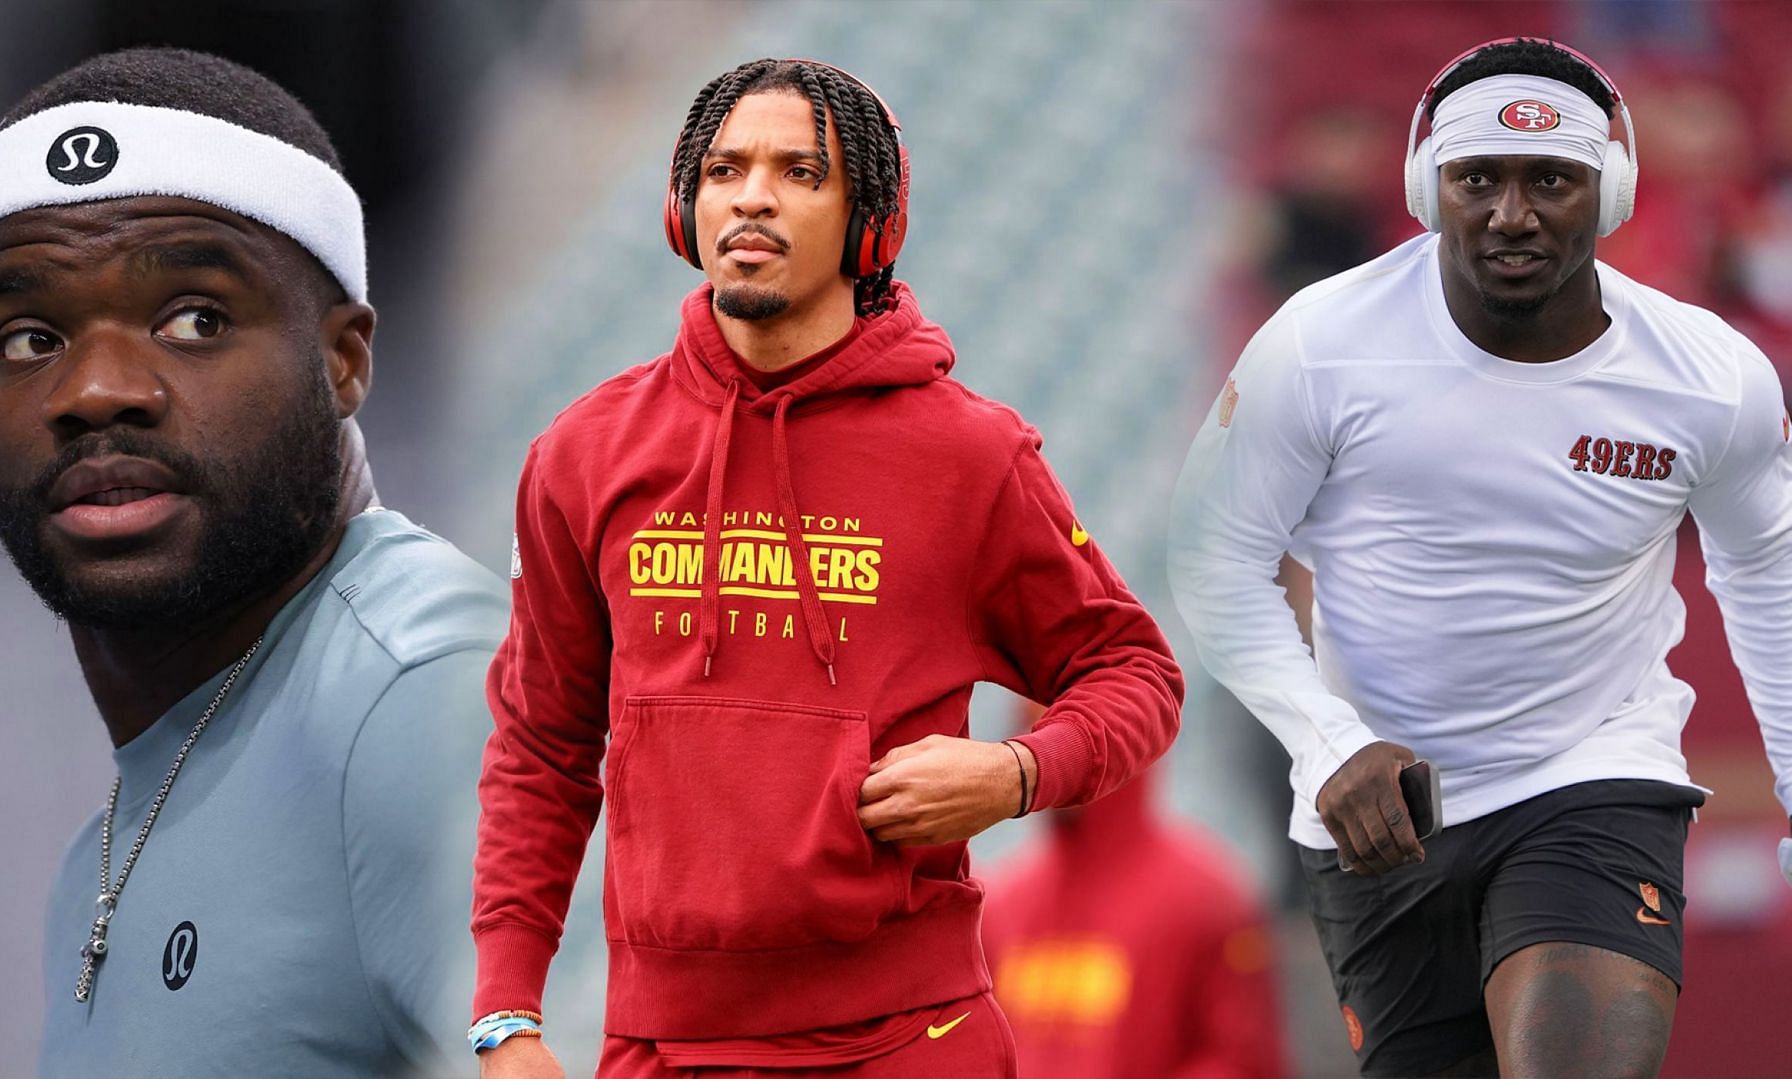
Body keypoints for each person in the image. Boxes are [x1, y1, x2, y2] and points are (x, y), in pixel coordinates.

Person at [469, 57, 1185, 1079]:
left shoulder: (970, 456)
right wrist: (507, 1012)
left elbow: (1136, 671)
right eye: (725, 168)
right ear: (686, 211)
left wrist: (1016, 772)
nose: (752, 194)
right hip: (662, 1045)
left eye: (800, 171)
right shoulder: (582, 454)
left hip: (908, 1039)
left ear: (870, 227)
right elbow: (540, 746)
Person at [1168, 36, 1792, 1077]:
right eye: (1479, 178)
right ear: (1429, 185)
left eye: (1551, 178)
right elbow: (1213, 555)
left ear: (1613, 189)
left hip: (1595, 781)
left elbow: (1768, 580)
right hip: (1382, 816)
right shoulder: (1322, 342)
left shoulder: (1708, 375)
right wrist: (1323, 739)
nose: (1513, 212)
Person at [0, 47, 507, 1077]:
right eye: (26, 337)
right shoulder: (100, 855)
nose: (95, 388)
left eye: (194, 318)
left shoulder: (422, 694)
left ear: (344, 359)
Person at [981, 705, 1285, 1079]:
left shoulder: (1210, 899)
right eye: (1028, 728)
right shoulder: (999, 905)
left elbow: (1244, 1063)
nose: (1038, 748)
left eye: (1060, 732)